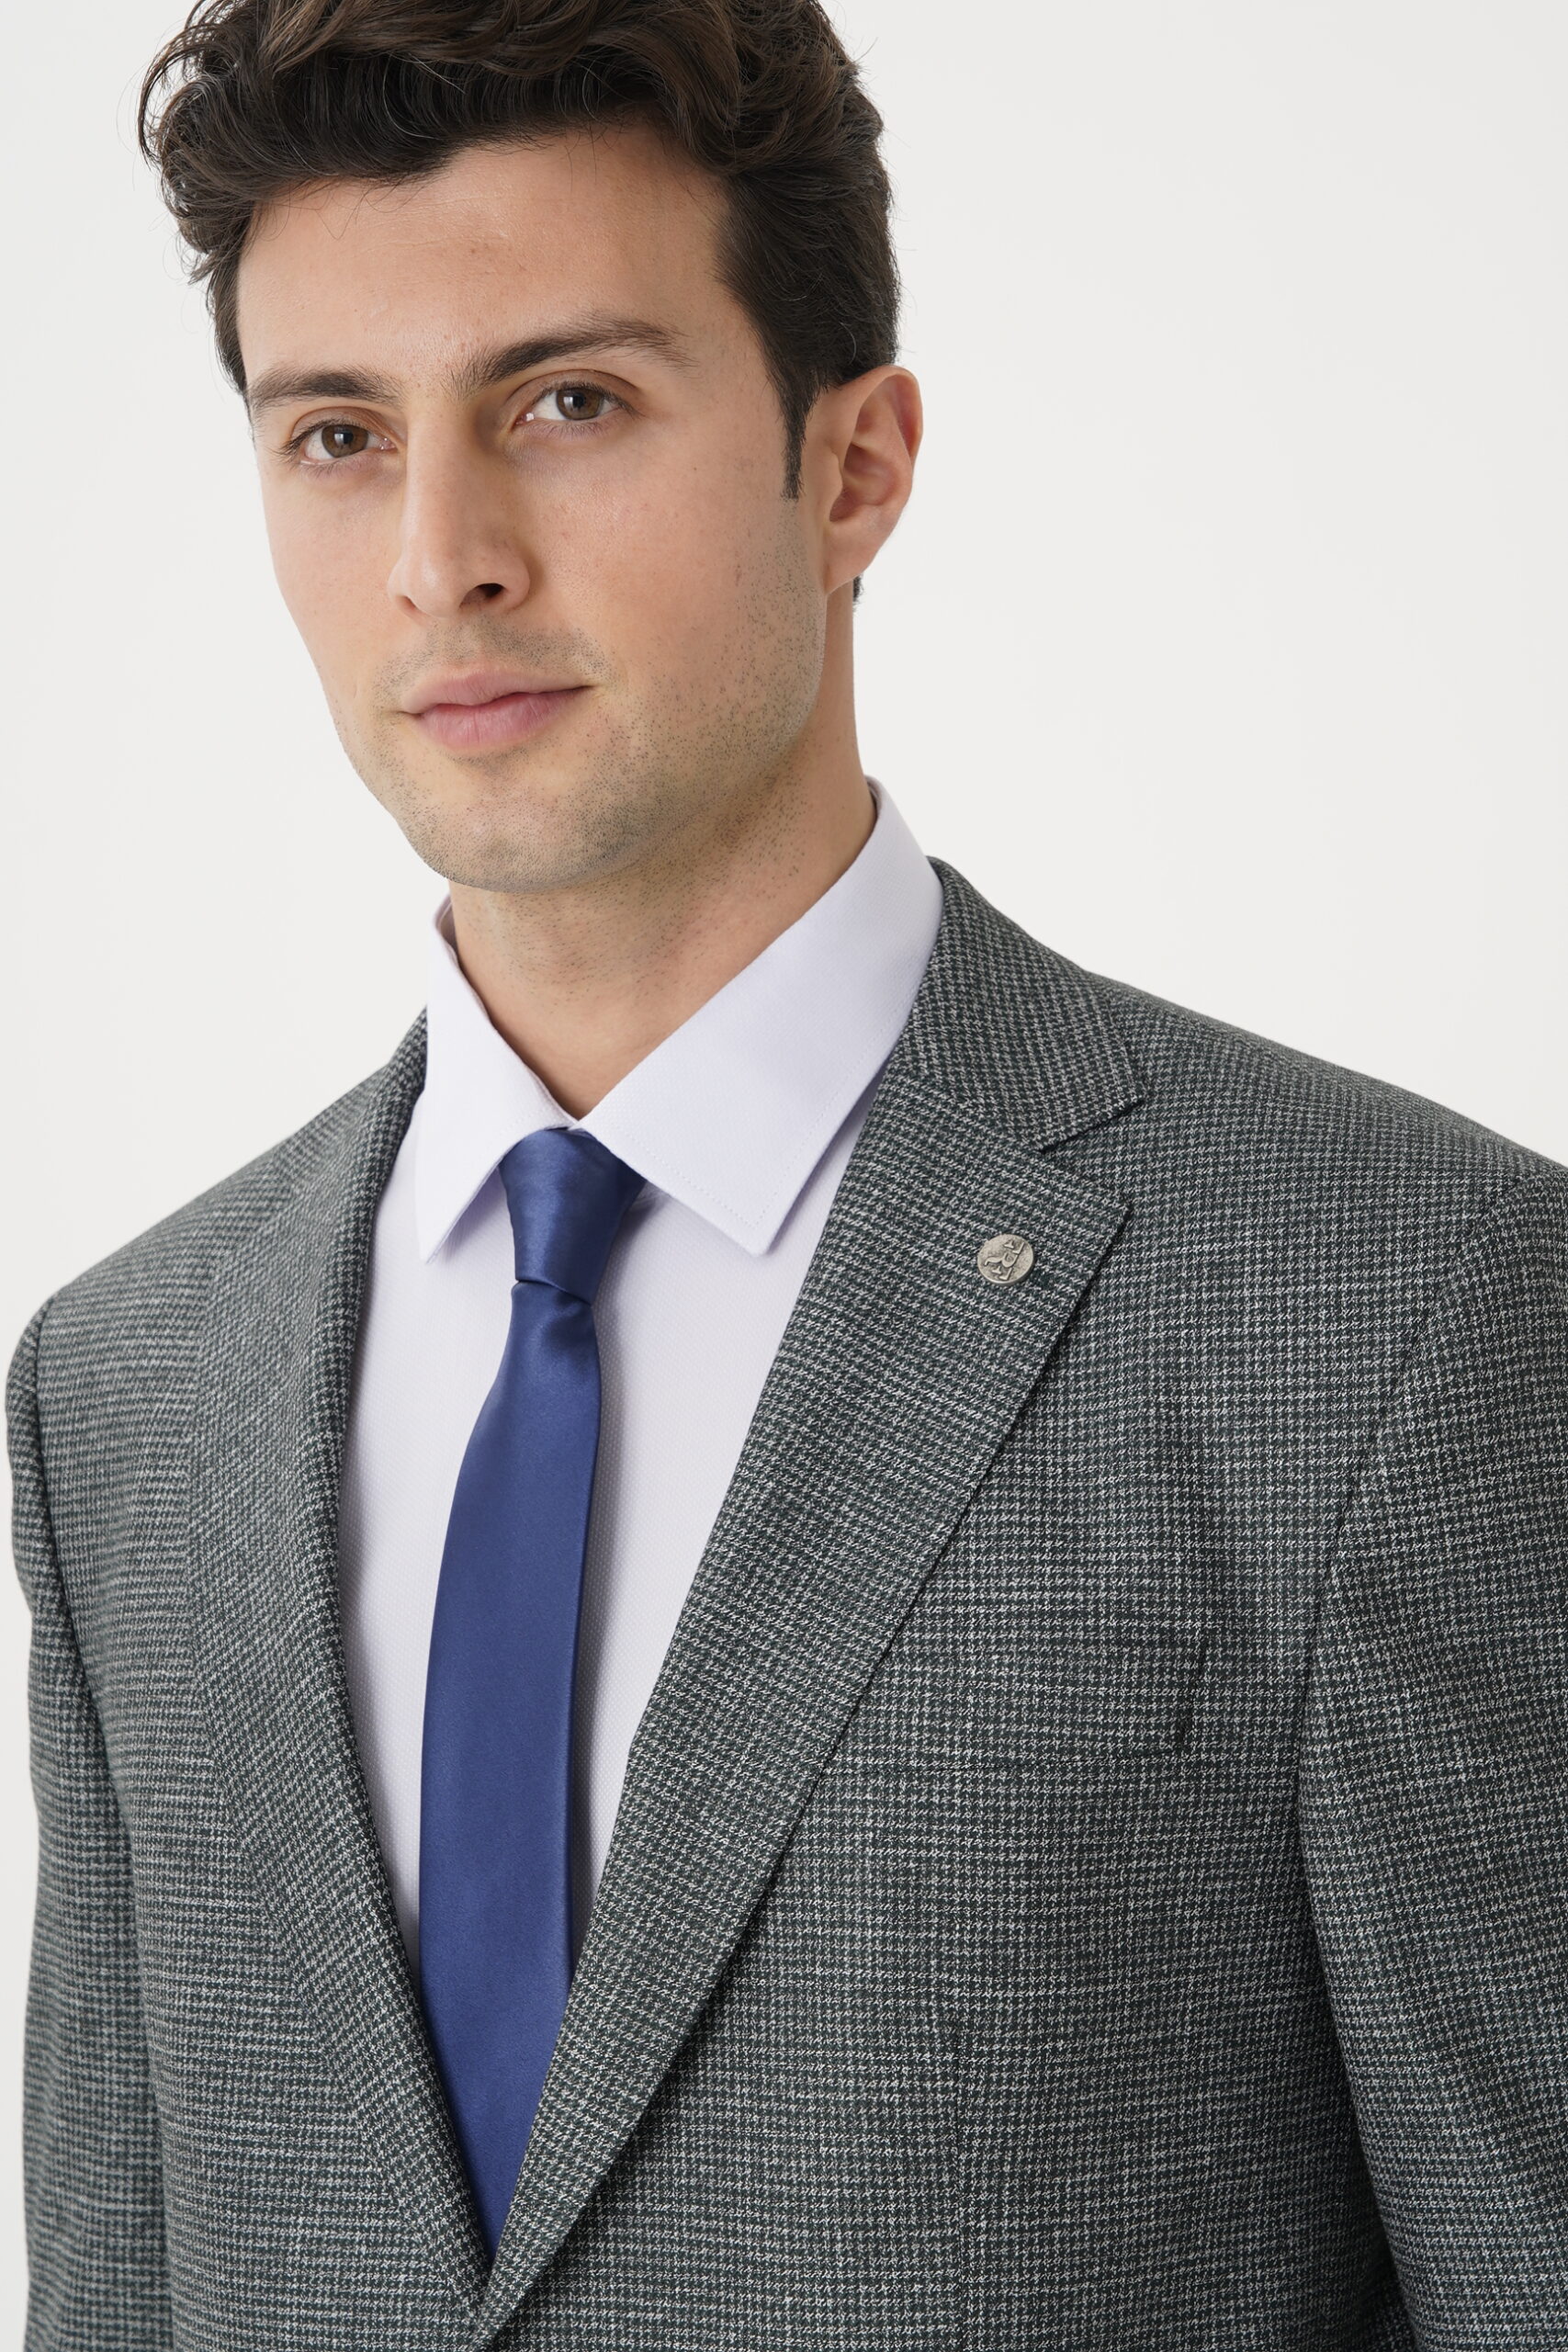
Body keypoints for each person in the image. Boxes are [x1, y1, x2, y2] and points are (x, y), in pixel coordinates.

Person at [8, 0, 1568, 2343]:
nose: (441, 558)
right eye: (338, 435)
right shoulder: (128, 1383)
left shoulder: (1397, 1312)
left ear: (850, 468)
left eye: (566, 402)